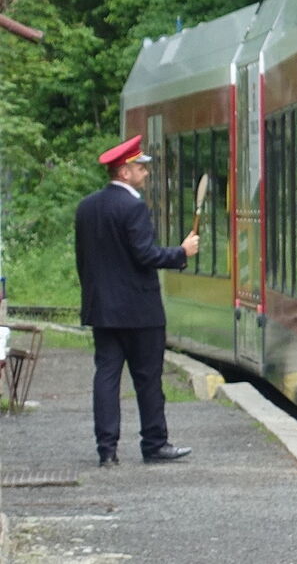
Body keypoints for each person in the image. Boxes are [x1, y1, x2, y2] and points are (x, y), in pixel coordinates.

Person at [74, 135, 199, 467]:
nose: (145, 172)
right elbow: (145, 255)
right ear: (124, 172)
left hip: (102, 310)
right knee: (147, 379)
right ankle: (154, 443)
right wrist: (181, 252)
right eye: (140, 167)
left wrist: (94, 297)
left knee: (106, 377)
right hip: (140, 312)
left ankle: (107, 450)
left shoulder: (86, 207)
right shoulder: (133, 207)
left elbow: (83, 259)